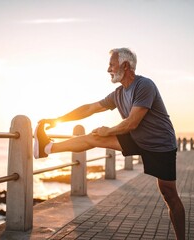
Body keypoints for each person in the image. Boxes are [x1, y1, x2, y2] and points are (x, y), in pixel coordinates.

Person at [34, 48, 185, 240]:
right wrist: (57, 120)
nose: (108, 70)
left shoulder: (145, 85)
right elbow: (90, 108)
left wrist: (108, 130)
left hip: (160, 144)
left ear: (125, 66)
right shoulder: (118, 94)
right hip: (136, 137)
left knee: (169, 195)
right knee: (94, 137)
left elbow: (132, 122)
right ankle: (47, 148)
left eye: (111, 65)